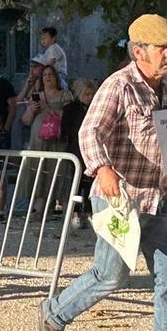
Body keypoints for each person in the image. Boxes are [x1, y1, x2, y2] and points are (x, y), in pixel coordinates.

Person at [38, 15, 167, 331]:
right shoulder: (119, 86)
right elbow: (89, 131)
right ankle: (54, 314)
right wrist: (103, 168)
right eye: (162, 47)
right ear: (139, 51)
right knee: (111, 275)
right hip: (119, 198)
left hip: (157, 196)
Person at [20, 64, 72, 213]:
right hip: (38, 141)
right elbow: (26, 121)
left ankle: (62, 208)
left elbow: (69, 118)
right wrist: (31, 109)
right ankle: (40, 209)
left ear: (56, 77)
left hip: (57, 141)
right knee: (39, 172)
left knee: (58, 171)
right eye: (45, 75)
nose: (48, 77)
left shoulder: (65, 95)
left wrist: (48, 108)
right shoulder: (36, 95)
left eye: (51, 74)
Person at [62, 78, 98, 230]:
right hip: (75, 149)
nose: (89, 97)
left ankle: (90, 212)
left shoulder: (96, 107)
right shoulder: (70, 108)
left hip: (91, 148)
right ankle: (75, 213)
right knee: (76, 184)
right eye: (86, 94)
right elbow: (65, 130)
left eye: (91, 94)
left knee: (91, 184)